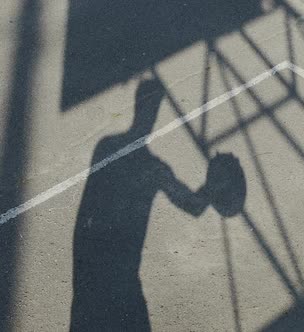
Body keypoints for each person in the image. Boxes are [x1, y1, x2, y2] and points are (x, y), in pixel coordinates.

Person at [70, 78, 208, 331]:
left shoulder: (108, 147)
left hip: (95, 271)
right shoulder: (153, 168)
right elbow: (194, 205)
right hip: (122, 277)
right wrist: (212, 188)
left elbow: (87, 208)